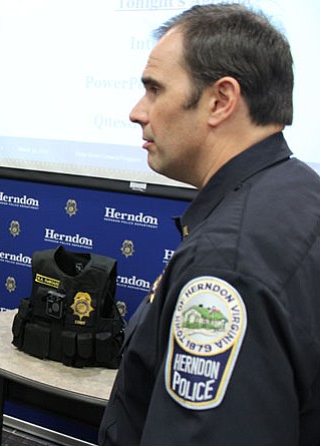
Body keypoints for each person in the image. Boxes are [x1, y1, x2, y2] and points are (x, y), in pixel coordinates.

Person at [99, 4, 320, 445]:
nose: (137, 112)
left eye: (154, 90)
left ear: (220, 100)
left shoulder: (226, 262)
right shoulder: (302, 191)